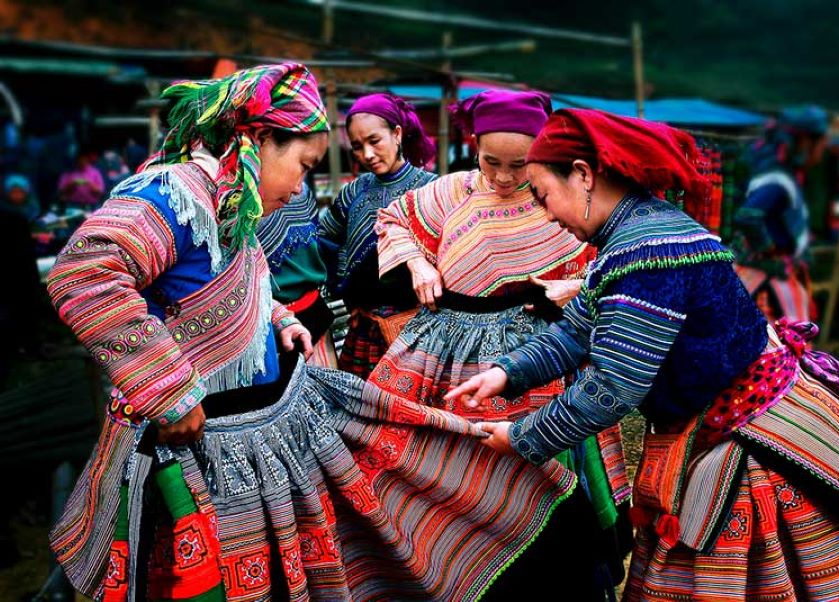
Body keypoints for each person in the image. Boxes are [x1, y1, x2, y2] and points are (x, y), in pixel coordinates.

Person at [47, 63, 573, 602]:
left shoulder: (230, 200)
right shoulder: (173, 190)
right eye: (303, 165)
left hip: (245, 424)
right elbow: (86, 273)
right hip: (195, 439)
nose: (303, 184)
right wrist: (166, 389)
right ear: (257, 139)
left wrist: (276, 317)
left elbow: (226, 278)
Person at [447, 108, 839, 600]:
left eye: (543, 194)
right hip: (730, 412)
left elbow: (613, 388)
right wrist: (503, 374)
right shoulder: (640, 233)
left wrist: (521, 436)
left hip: (751, 436)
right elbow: (576, 329)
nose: (547, 212)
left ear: (581, 175)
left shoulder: (644, 255)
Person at [374, 90, 629, 600]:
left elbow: (609, 259)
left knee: (538, 465)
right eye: (492, 162)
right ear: (473, 145)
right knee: (445, 464)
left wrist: (575, 289)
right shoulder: (451, 191)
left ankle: (544, 574)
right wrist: (419, 263)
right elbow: (394, 219)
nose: (506, 177)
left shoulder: (559, 195)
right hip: (447, 349)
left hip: (538, 349)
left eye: (521, 164)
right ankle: (451, 564)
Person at [318, 93, 437, 378]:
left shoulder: (432, 190)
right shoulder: (354, 192)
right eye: (357, 147)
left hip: (418, 328)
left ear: (397, 134)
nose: (367, 155)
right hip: (363, 327)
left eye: (374, 141)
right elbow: (324, 240)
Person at [733, 105, 828, 322]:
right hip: (766, 277)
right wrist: (768, 250)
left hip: (769, 274)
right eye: (821, 143)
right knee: (783, 340)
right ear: (805, 142)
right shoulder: (777, 180)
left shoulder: (783, 177)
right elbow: (747, 215)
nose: (823, 149)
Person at [257, 178, 337, 366]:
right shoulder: (235, 201)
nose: (297, 186)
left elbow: (322, 240)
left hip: (313, 315)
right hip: (265, 328)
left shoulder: (302, 193)